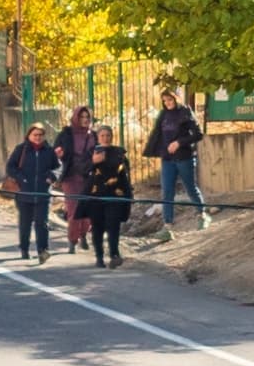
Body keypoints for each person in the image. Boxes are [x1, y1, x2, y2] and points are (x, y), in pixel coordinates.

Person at [146, 89, 206, 235]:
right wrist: (154, 150)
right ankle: (168, 227)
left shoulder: (185, 112)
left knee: (190, 189)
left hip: (184, 158)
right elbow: (157, 134)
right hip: (167, 159)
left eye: (170, 100)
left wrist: (179, 142)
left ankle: (202, 215)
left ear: (176, 99)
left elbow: (198, 134)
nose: (168, 103)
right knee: (167, 192)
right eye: (165, 101)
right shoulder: (163, 114)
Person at [3, 119, 60, 263]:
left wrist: (52, 176)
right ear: (29, 135)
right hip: (24, 193)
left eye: (40, 135)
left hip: (43, 193)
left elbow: (58, 167)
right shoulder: (21, 149)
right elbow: (10, 167)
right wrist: (21, 178)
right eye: (35, 134)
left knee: (42, 223)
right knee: (25, 223)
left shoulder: (49, 151)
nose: (38, 137)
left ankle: (43, 251)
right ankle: (24, 248)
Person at [82, 131, 135, 268]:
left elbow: (125, 175)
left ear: (112, 137)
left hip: (115, 194)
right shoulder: (91, 152)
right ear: (98, 138)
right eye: (102, 136)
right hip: (96, 195)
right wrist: (93, 162)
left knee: (114, 225)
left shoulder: (119, 153)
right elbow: (83, 171)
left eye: (108, 135)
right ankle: (99, 257)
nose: (105, 138)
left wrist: (128, 193)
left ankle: (114, 254)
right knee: (97, 227)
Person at [56, 102, 98, 255]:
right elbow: (56, 152)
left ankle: (83, 234)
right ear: (76, 118)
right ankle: (72, 241)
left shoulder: (94, 135)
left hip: (88, 177)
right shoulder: (66, 134)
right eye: (82, 117)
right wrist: (59, 153)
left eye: (87, 117)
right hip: (70, 176)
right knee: (74, 210)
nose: (85, 120)